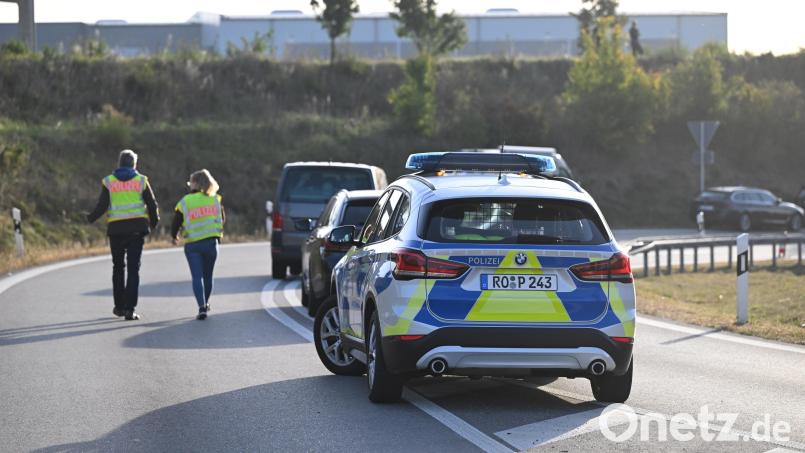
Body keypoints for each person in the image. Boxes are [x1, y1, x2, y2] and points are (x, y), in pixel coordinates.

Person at [87, 149, 159, 321]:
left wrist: (90, 218)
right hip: (136, 230)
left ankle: (119, 307)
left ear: (119, 163)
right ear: (134, 164)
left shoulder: (109, 181)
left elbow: (102, 205)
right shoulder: (141, 180)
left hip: (116, 230)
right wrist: (154, 223)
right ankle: (129, 309)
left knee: (118, 268)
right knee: (133, 269)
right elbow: (152, 204)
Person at [171, 169, 225, 320]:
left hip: (193, 245)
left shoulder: (185, 201)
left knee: (197, 276)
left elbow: (176, 222)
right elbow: (222, 219)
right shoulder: (215, 200)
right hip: (211, 243)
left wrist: (174, 236)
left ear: (195, 183)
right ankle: (206, 303)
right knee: (208, 276)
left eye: (190, 182)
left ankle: (201, 307)